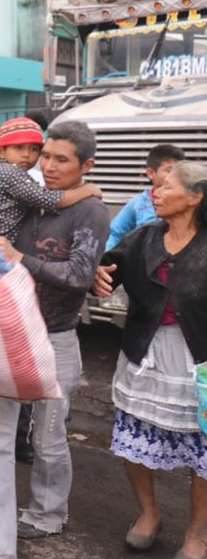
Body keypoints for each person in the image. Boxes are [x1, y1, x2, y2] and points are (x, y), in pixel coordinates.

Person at [0, 120, 110, 559]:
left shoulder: (90, 210)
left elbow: (77, 275)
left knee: (49, 439)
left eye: (61, 159)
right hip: (6, 333)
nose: (49, 166)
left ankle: (47, 513)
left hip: (55, 339)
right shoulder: (26, 198)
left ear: (87, 166)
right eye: (45, 156)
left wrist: (23, 258)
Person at [94, 161, 207, 558]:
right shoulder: (144, 237)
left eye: (167, 186)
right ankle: (149, 513)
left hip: (198, 362)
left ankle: (197, 535)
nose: (155, 192)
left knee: (204, 452)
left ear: (196, 197)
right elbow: (110, 266)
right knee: (133, 437)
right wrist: (98, 276)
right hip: (144, 352)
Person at [0, 117, 101, 243]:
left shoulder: (91, 209)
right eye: (19, 148)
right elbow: (50, 199)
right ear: (1, 152)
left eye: (34, 149)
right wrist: (88, 190)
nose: (26, 155)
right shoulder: (8, 173)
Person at [105, 143, 186, 251]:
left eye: (179, 171)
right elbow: (115, 233)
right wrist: (106, 259)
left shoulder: (187, 202)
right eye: (169, 170)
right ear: (151, 173)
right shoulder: (138, 204)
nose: (175, 176)